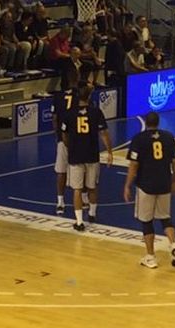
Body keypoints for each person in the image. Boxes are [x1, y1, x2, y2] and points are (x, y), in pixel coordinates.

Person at [123, 112, 175, 269]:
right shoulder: (168, 137)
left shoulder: (139, 139)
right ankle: (173, 244)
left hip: (146, 185)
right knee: (165, 218)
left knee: (147, 221)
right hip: (164, 183)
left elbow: (134, 165)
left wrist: (127, 184)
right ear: (158, 122)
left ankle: (150, 257)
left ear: (146, 123)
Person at [61, 84, 113, 231]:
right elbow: (104, 134)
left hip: (76, 154)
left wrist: (69, 145)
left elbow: (64, 134)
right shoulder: (96, 112)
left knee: (77, 189)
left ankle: (79, 221)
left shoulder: (69, 113)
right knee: (92, 186)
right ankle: (92, 213)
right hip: (91, 154)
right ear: (89, 97)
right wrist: (109, 151)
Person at [52, 68, 80, 215]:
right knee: (82, 168)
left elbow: (55, 118)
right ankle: (85, 199)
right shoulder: (79, 96)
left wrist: (58, 135)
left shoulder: (58, 96)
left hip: (62, 138)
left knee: (61, 171)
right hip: (77, 138)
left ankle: (60, 201)